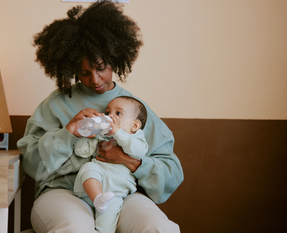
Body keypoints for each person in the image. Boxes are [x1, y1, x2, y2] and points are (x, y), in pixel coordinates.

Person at [17, 1, 184, 232]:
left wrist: (130, 161)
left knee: (158, 228)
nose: (94, 80)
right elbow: (31, 164)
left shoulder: (135, 108)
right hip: (64, 193)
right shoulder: (55, 104)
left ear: (114, 59)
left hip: (123, 193)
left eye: (101, 68)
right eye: (84, 73)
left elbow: (172, 172)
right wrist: (67, 134)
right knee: (74, 229)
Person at [73, 96, 148, 233]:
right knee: (88, 167)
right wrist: (85, 136)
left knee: (106, 227)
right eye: (108, 113)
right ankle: (97, 197)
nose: (110, 116)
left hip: (114, 193)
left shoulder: (136, 138)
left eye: (118, 113)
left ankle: (101, 202)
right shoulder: (103, 135)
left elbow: (138, 153)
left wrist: (118, 133)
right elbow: (81, 152)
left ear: (135, 126)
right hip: (91, 186)